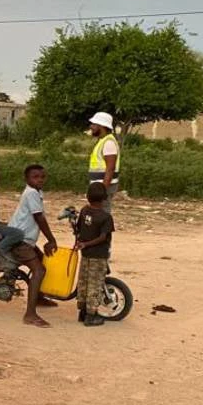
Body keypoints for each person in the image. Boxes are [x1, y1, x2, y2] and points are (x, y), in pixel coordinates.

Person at [7, 164, 59, 328]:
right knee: (39, 270)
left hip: (25, 240)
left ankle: (38, 296)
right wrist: (51, 239)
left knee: (43, 261)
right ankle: (30, 314)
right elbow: (40, 219)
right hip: (19, 241)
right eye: (35, 177)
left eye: (42, 177)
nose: (40, 180)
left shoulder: (36, 192)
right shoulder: (31, 193)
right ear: (27, 179)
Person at [75, 183, 115, 327]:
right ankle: (91, 316)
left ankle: (82, 311)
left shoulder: (84, 211)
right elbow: (103, 237)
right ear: (105, 198)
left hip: (85, 254)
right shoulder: (105, 217)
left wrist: (82, 243)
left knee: (83, 282)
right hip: (98, 255)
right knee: (95, 284)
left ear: (87, 197)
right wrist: (87, 244)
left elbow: (78, 228)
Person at [88, 112, 120, 212]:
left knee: (102, 213)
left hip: (104, 186)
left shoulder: (108, 143)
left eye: (94, 124)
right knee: (97, 212)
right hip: (99, 185)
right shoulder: (103, 141)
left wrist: (102, 190)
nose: (91, 126)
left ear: (101, 126)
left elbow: (110, 169)